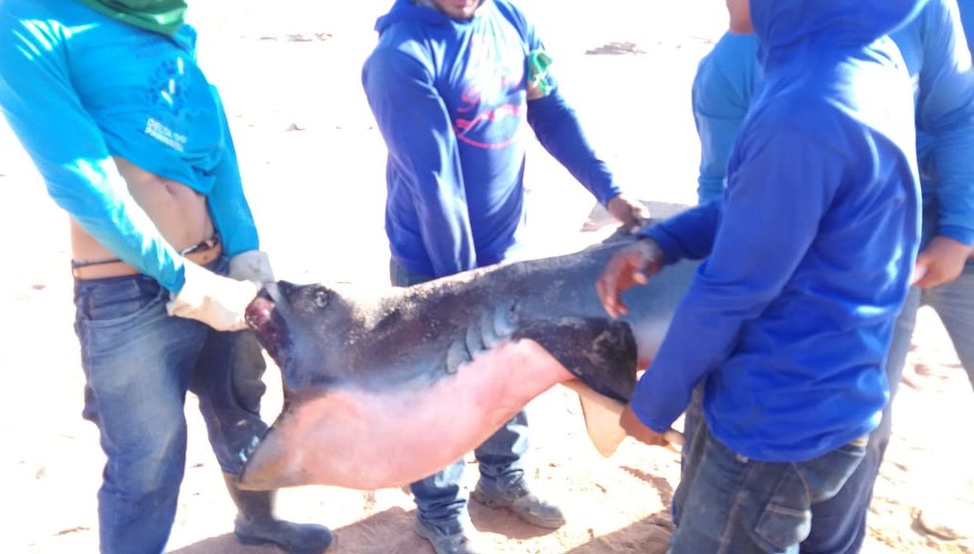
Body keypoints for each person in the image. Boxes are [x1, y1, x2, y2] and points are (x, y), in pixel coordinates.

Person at [0, 1, 334, 552]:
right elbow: (82, 181)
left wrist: (243, 251)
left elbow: (211, 144)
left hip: (219, 269)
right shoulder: (27, 21)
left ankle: (258, 520)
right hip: (126, 292)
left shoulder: (165, 19)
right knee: (145, 458)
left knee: (240, 406)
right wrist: (181, 279)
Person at [596, 0, 927, 551]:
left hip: (774, 420)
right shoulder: (861, 55)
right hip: (840, 390)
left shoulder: (804, 110)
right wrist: (664, 241)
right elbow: (773, 206)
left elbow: (732, 290)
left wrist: (654, 401)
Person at [361, 0, 645, 552]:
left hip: (505, 253)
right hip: (434, 261)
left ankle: (500, 480)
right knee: (440, 385)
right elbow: (434, 184)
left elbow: (551, 110)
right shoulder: (400, 57)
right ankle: (438, 508)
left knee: (507, 371)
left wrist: (608, 191)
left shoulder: (510, 19)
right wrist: (467, 288)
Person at [689, 0, 974, 548]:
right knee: (857, 420)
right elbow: (722, 196)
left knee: (854, 424)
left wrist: (960, 231)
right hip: (850, 256)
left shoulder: (921, 9)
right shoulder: (729, 67)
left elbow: (957, 113)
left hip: (936, 222)